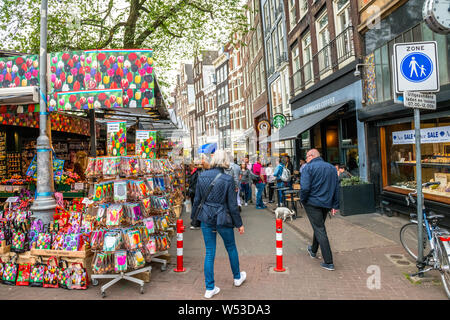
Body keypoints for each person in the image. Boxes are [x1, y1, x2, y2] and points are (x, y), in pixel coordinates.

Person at [191, 150, 246, 299]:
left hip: (206, 218)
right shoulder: (228, 179)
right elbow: (232, 205)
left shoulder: (201, 176)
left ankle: (209, 288)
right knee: (231, 247)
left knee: (209, 252)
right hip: (223, 218)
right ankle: (237, 278)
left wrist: (193, 219)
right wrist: (239, 223)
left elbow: (196, 200)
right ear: (225, 161)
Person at [300, 149, 340, 271]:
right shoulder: (332, 168)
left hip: (312, 203)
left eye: (306, 157)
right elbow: (337, 187)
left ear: (311, 156)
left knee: (320, 229)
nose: (306, 159)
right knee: (318, 226)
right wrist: (335, 205)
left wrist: (303, 200)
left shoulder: (308, 168)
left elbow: (305, 188)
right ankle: (313, 250)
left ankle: (329, 262)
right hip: (326, 203)